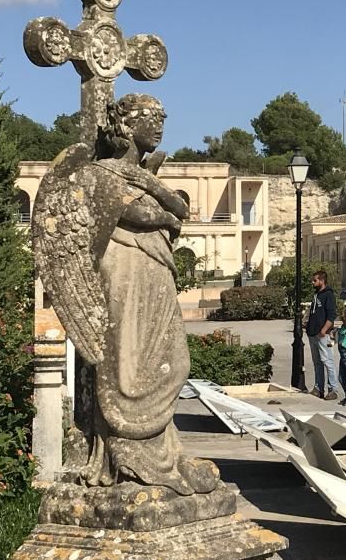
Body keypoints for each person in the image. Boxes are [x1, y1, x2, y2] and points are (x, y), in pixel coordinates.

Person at [32, 94, 219, 494]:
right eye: (149, 118)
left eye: (161, 117)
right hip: (125, 274)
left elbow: (177, 210)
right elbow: (146, 215)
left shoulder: (138, 176)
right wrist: (165, 211)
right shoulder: (102, 174)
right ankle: (128, 451)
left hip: (154, 273)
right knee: (127, 360)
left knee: (175, 360)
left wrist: (156, 191)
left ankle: (161, 449)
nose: (159, 125)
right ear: (127, 126)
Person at [305, 270, 339, 400]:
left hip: (322, 334)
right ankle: (318, 388)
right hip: (312, 333)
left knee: (327, 361)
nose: (312, 282)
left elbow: (331, 315)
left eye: (315, 280)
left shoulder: (328, 295)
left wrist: (324, 330)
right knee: (317, 362)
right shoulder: (316, 295)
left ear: (322, 281)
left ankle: (333, 389)